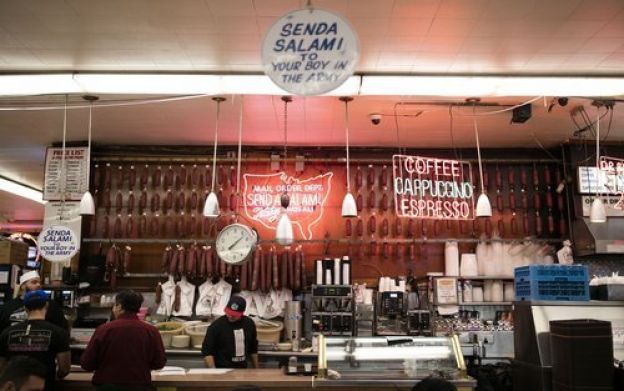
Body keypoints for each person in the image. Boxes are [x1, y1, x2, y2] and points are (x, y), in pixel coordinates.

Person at [80, 290, 166, 391]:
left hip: (107, 387)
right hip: (140, 386)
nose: (113, 309)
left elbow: (87, 363)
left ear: (119, 306)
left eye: (114, 306)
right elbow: (159, 362)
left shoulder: (103, 329)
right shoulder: (151, 331)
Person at [0, 290, 70, 391]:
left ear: (25, 308)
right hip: (44, 386)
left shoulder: (7, 333)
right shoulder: (59, 333)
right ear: (46, 305)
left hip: (15, 386)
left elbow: (1, 367)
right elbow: (64, 369)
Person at [0, 271, 68, 334]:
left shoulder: (52, 306)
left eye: (39, 282)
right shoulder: (7, 308)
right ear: (23, 286)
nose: (38, 285)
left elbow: (63, 332)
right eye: (34, 282)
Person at [202, 295, 259, 369]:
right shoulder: (216, 326)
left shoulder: (249, 324)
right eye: (228, 313)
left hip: (243, 370)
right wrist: (214, 372)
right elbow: (207, 352)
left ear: (242, 313)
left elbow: (253, 349)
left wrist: (257, 369)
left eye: (234, 315)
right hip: (221, 370)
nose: (230, 316)